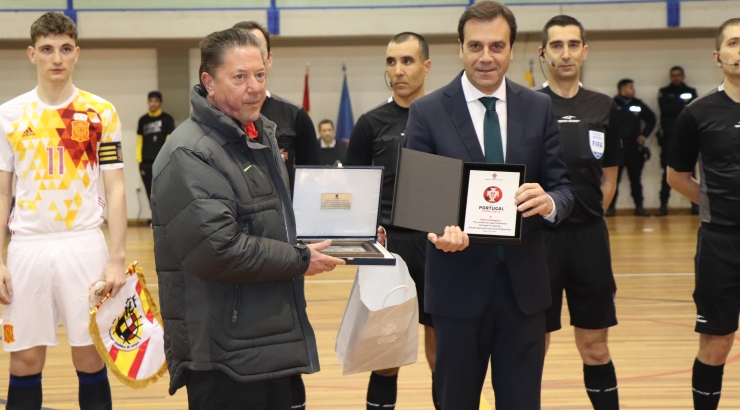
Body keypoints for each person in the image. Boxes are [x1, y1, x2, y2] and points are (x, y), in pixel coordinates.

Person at [150, 28, 344, 410]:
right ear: (209, 82)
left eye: (259, 75)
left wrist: (349, 230)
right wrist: (300, 259)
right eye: (239, 77)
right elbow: (218, 249)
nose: (254, 87)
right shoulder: (189, 153)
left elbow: (277, 221)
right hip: (225, 353)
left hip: (266, 338)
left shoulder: (259, 135)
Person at [403, 2, 574, 408]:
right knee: (455, 400)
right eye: (475, 45)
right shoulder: (428, 112)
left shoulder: (538, 107)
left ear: (512, 50)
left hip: (524, 292)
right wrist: (439, 231)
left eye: (497, 46)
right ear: (459, 49)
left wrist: (548, 202)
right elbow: (420, 202)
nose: (486, 57)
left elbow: (563, 188)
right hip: (457, 286)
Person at [0, 12, 127, 410]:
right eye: (47, 49)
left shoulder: (100, 112)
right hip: (27, 247)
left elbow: (116, 185)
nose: (57, 58)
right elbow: (2, 191)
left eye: (65, 49)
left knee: (89, 356)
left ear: (77, 54)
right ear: (31, 54)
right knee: (23, 360)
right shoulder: (9, 115)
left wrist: (117, 258)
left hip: (84, 245)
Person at [344, 31, 437, 410]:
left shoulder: (446, 118)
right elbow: (352, 190)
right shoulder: (370, 123)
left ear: (426, 66)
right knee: (385, 357)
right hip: (388, 250)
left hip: (438, 246)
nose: (398, 70)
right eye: (391, 61)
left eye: (407, 60)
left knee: (443, 353)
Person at [538, 15, 623, 410]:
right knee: (531, 345)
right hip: (539, 243)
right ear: (543, 53)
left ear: (585, 51)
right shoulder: (528, 106)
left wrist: (587, 217)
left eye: (573, 45)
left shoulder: (604, 106)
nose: (566, 53)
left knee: (594, 345)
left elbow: (609, 178)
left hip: (589, 240)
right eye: (557, 45)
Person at [667, 17, 740, 410]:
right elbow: (676, 176)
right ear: (717, 56)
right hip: (719, 243)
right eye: (734, 42)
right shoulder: (697, 113)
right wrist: (716, 202)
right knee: (716, 341)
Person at [233, 21, 320, 193]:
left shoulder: (296, 116)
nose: (250, 59)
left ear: (269, 59)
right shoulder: (216, 118)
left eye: (258, 52)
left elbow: (312, 184)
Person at [606, 79, 655, 217]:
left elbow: (651, 119)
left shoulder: (637, 104)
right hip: (617, 148)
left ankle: (639, 207)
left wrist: (644, 135)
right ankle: (610, 208)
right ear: (622, 89)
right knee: (613, 180)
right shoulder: (612, 104)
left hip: (634, 148)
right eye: (630, 88)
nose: (633, 90)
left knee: (636, 179)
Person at [656, 66, 698, 216]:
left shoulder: (691, 91)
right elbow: (665, 109)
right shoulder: (664, 92)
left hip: (689, 137)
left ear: (683, 76)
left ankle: (696, 205)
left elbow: (693, 111)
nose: (676, 78)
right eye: (673, 75)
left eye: (678, 75)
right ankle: (663, 205)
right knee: (667, 172)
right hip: (669, 138)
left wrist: (680, 107)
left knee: (691, 171)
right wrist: (682, 106)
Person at [136, 90, 175, 206]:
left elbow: (170, 141)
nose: (153, 103)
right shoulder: (143, 120)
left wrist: (167, 159)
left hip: (161, 162)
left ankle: (162, 218)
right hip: (145, 162)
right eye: (151, 101)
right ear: (148, 102)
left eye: (156, 101)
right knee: (149, 191)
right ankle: (154, 217)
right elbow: (139, 140)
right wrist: (139, 158)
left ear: (160, 102)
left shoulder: (167, 119)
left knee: (162, 190)